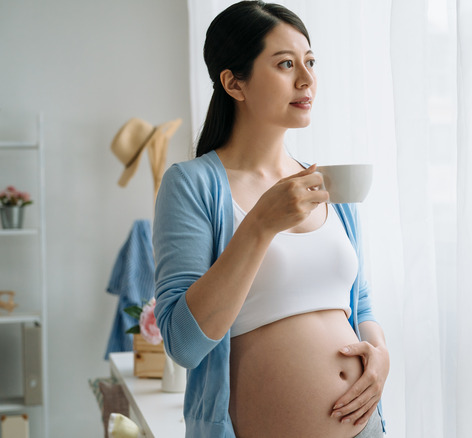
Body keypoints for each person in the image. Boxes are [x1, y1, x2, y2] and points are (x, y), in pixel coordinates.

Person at [152, 2, 389, 437]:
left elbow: (361, 305)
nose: (307, 78)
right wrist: (260, 225)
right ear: (234, 82)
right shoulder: (192, 185)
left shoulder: (329, 184)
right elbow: (183, 344)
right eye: (285, 64)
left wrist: (380, 354)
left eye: (310, 62)